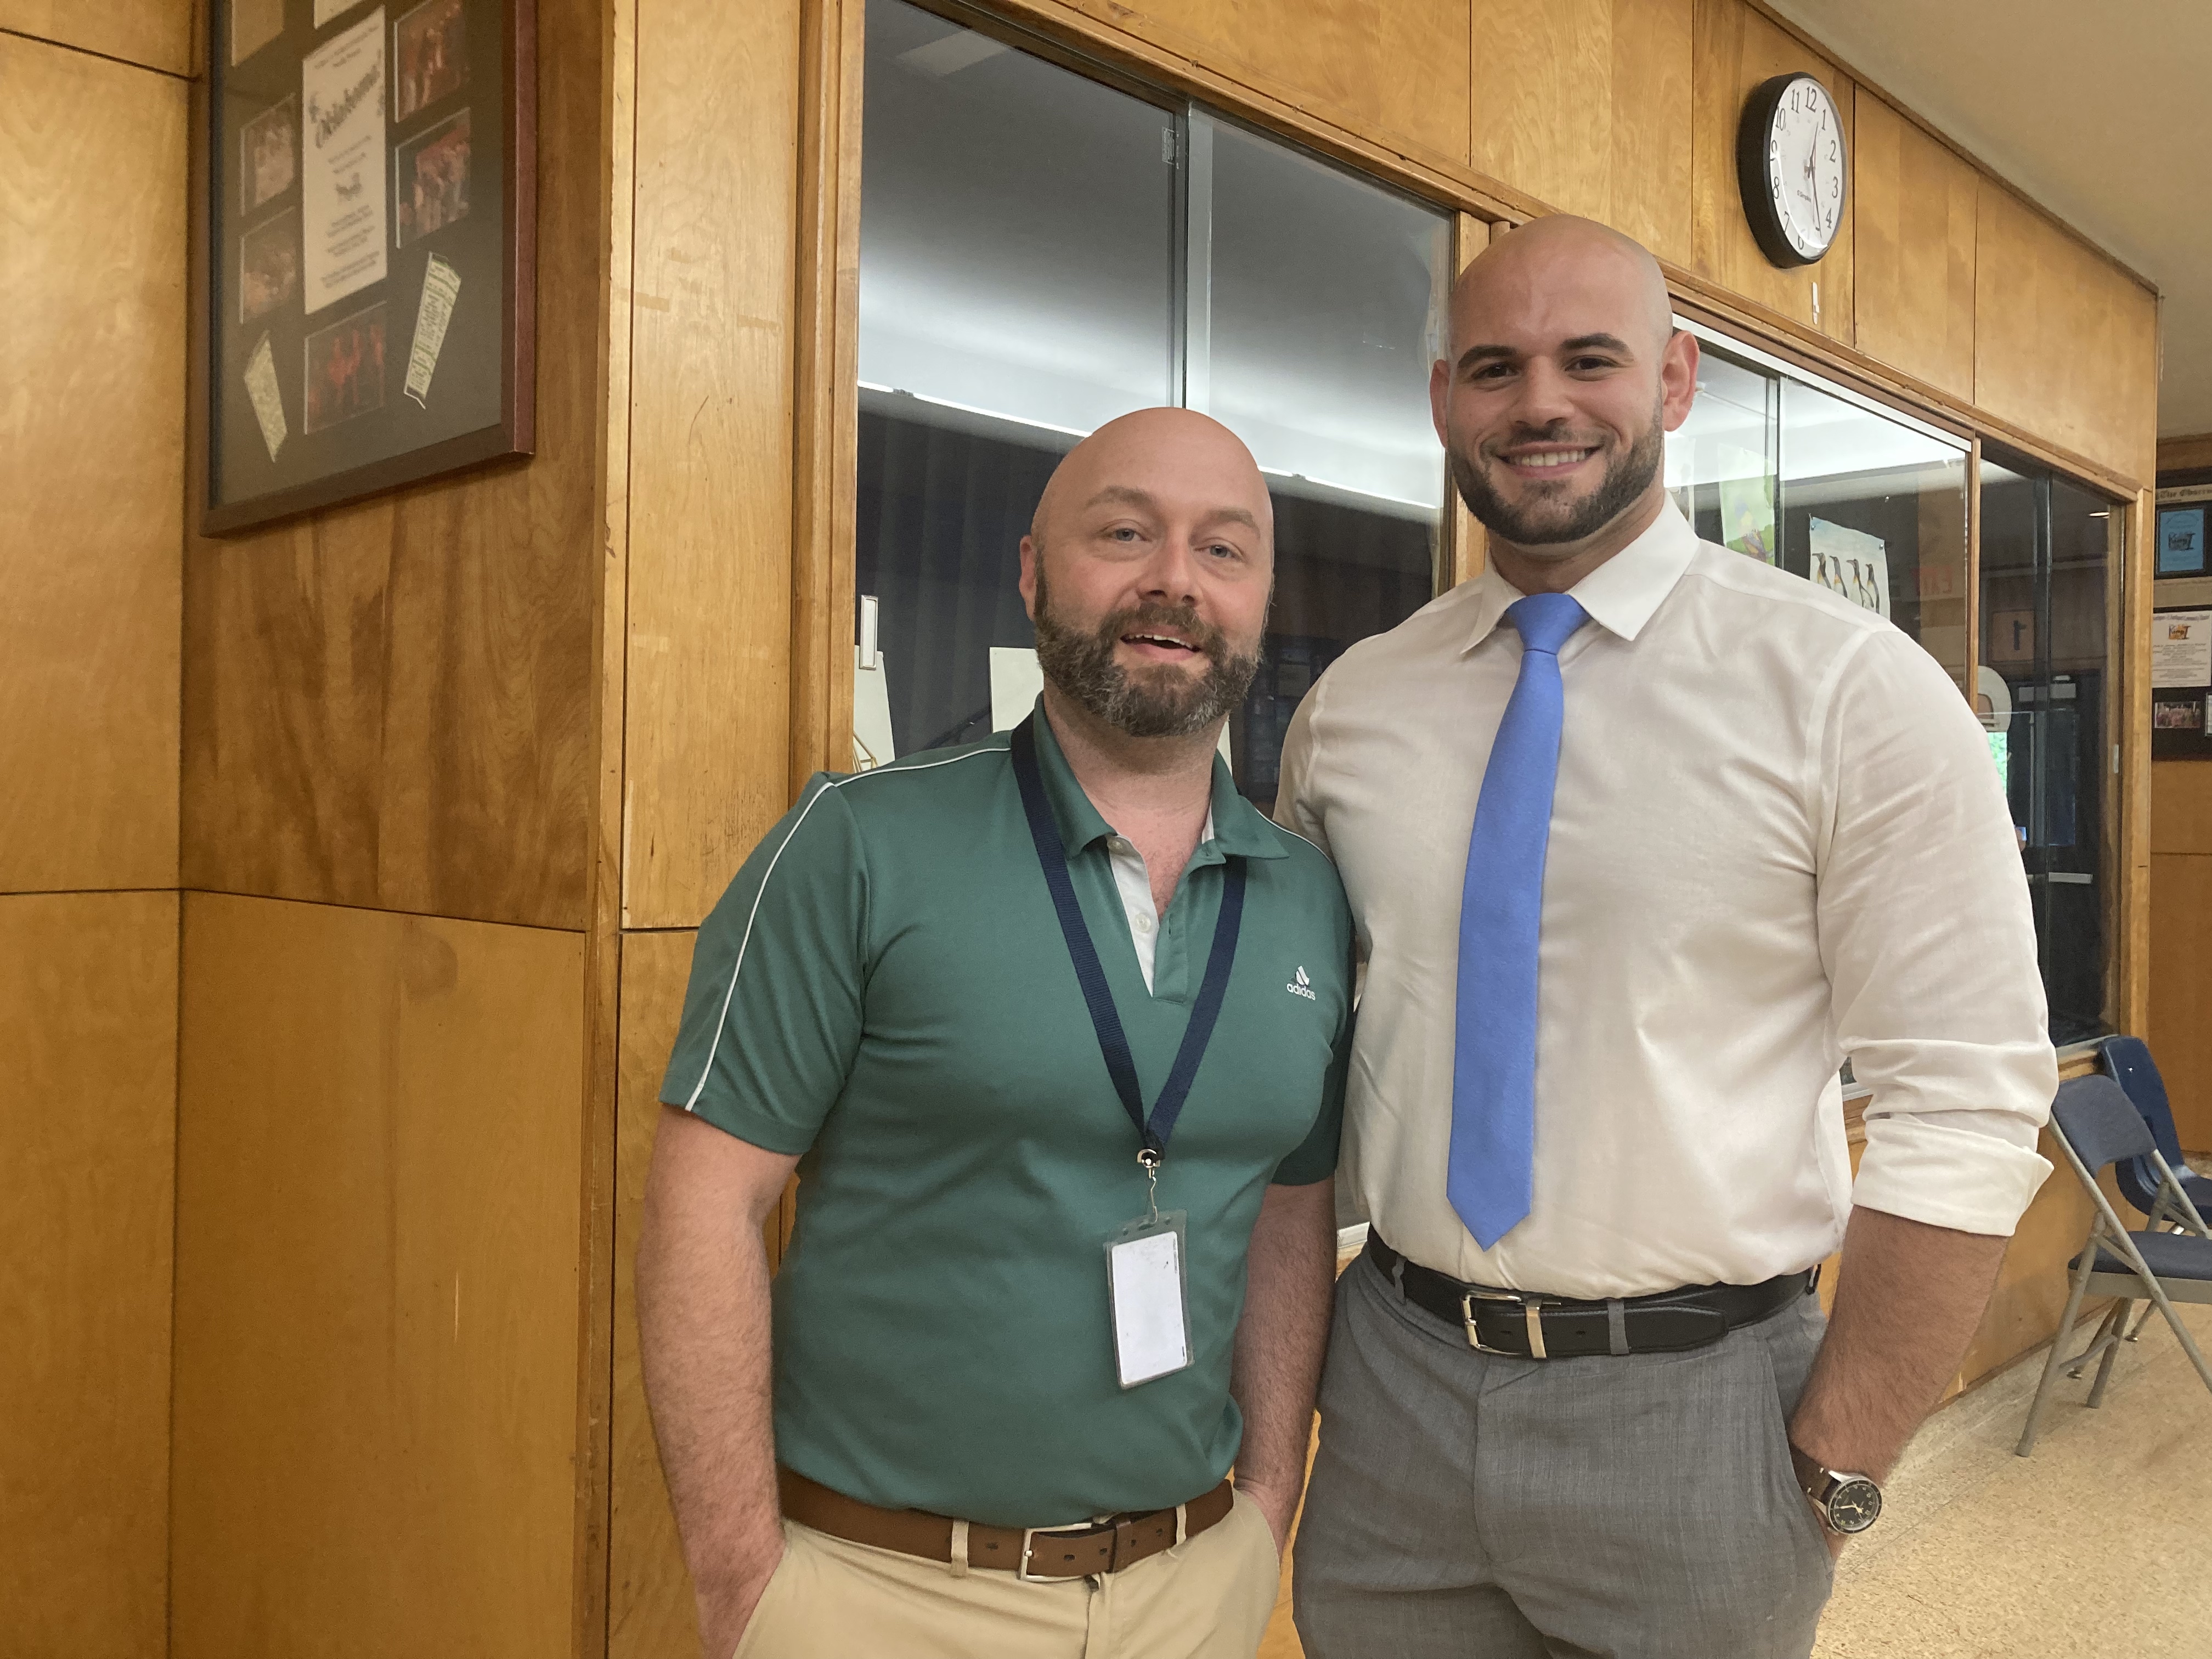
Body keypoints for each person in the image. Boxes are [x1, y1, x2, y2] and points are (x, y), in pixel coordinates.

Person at [1280, 215, 2056, 1658]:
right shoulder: (1358, 711)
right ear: (1446, 399)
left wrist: (1842, 1476)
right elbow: (1301, 1056)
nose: (1542, 405)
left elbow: (1969, 1093)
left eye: (1592, 359)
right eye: (1495, 368)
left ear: (1679, 379)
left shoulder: (1848, 692)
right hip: (1392, 1391)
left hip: (1702, 1408)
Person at [637, 407, 1353, 1659]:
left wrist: (1267, 1511)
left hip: (1192, 1588)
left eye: (1222, 549)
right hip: (883, 1590)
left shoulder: (1310, 897)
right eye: (1125, 531)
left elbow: (1290, 1207)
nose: (1174, 580)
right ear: (1031, 569)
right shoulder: (858, 847)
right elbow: (704, 1209)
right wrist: (741, 1580)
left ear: (1262, 594)